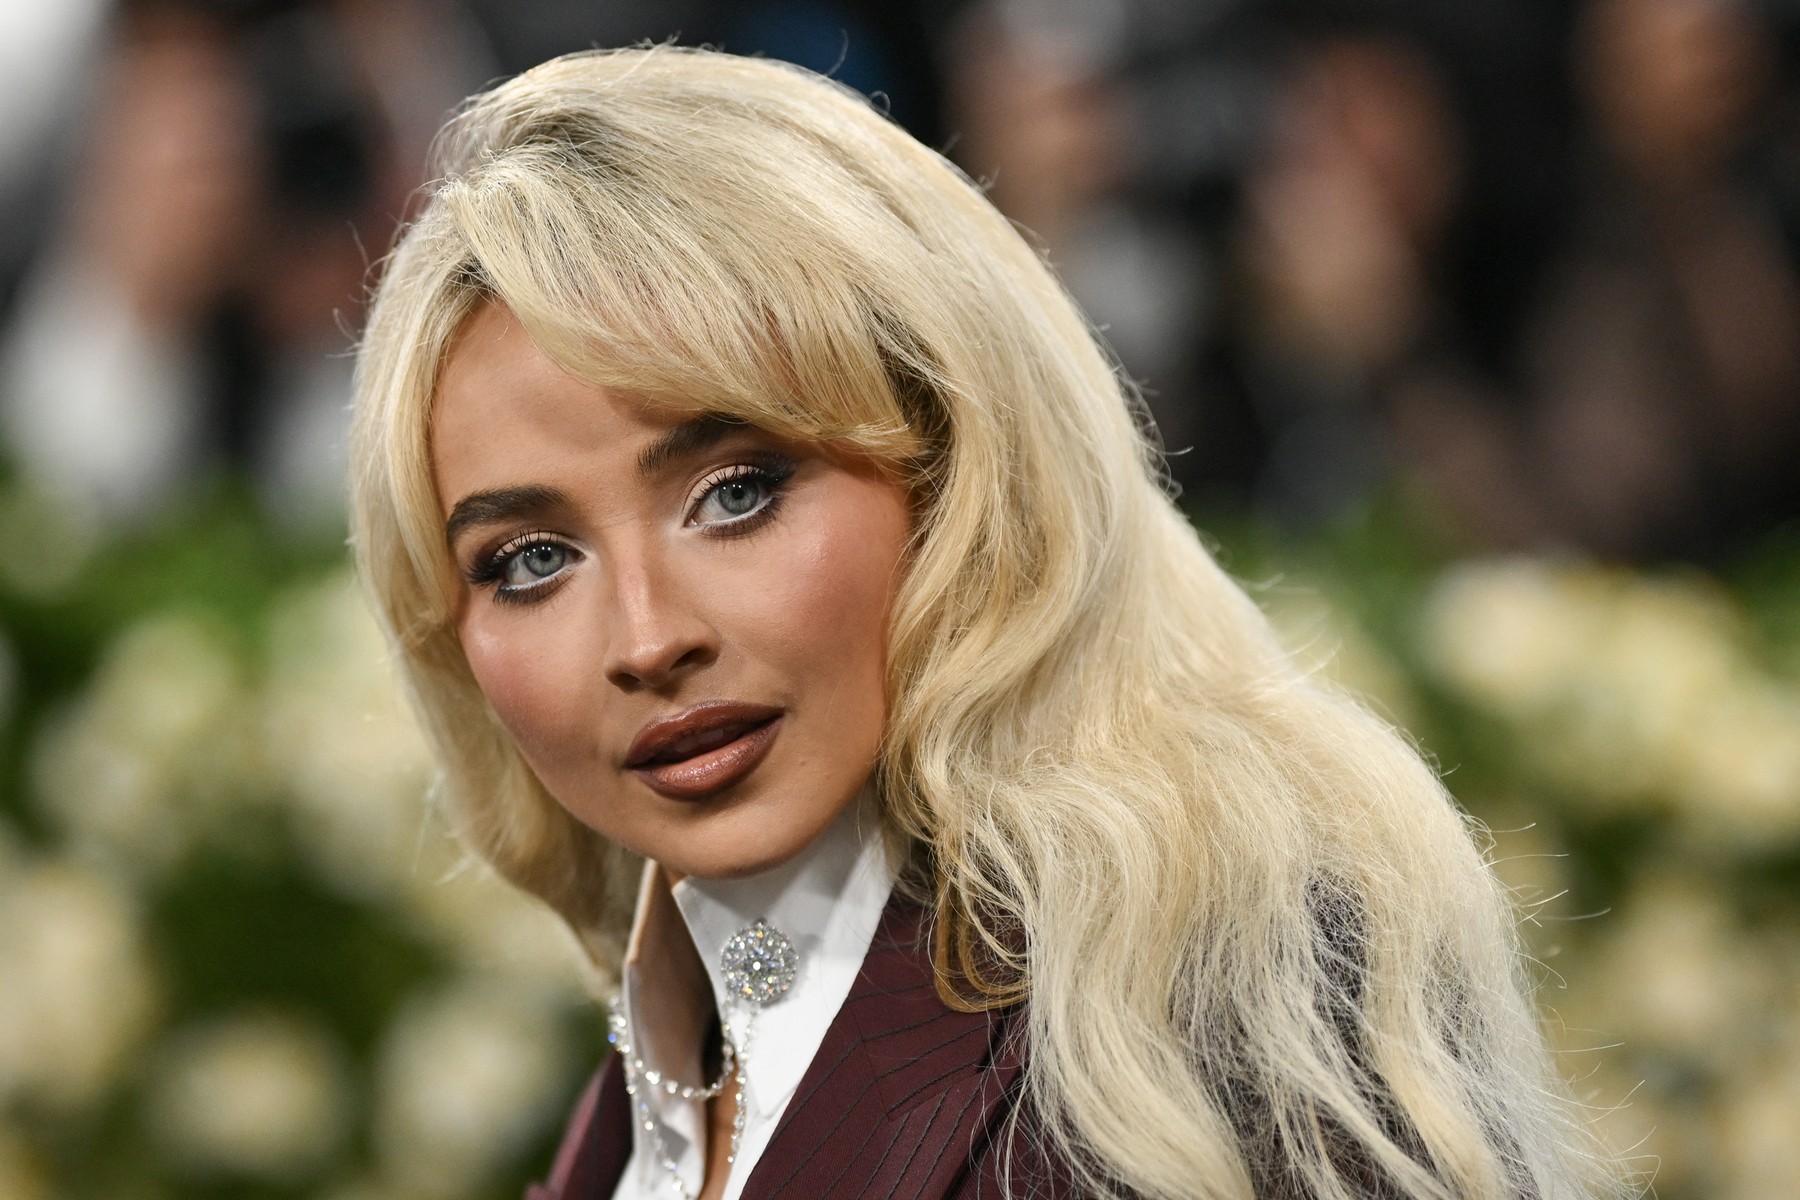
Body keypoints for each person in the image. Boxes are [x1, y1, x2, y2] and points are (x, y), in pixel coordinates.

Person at [349, 46, 1629, 1200]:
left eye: (736, 491)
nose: (647, 639)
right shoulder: (672, 1040)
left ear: (955, 466)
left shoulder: (1220, 1007)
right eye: (529, 561)